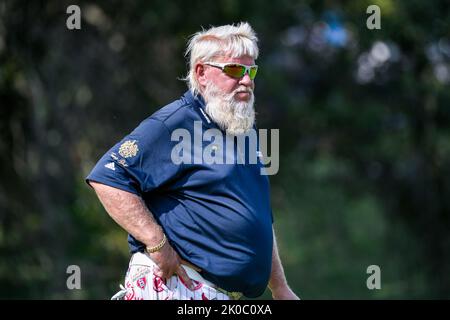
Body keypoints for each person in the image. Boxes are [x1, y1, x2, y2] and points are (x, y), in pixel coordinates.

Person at [86, 22, 299, 300]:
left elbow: (257, 215)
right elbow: (107, 177)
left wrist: (280, 287)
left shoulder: (244, 129)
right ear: (201, 73)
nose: (246, 80)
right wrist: (157, 243)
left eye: (251, 70)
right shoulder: (175, 122)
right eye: (235, 70)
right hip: (178, 287)